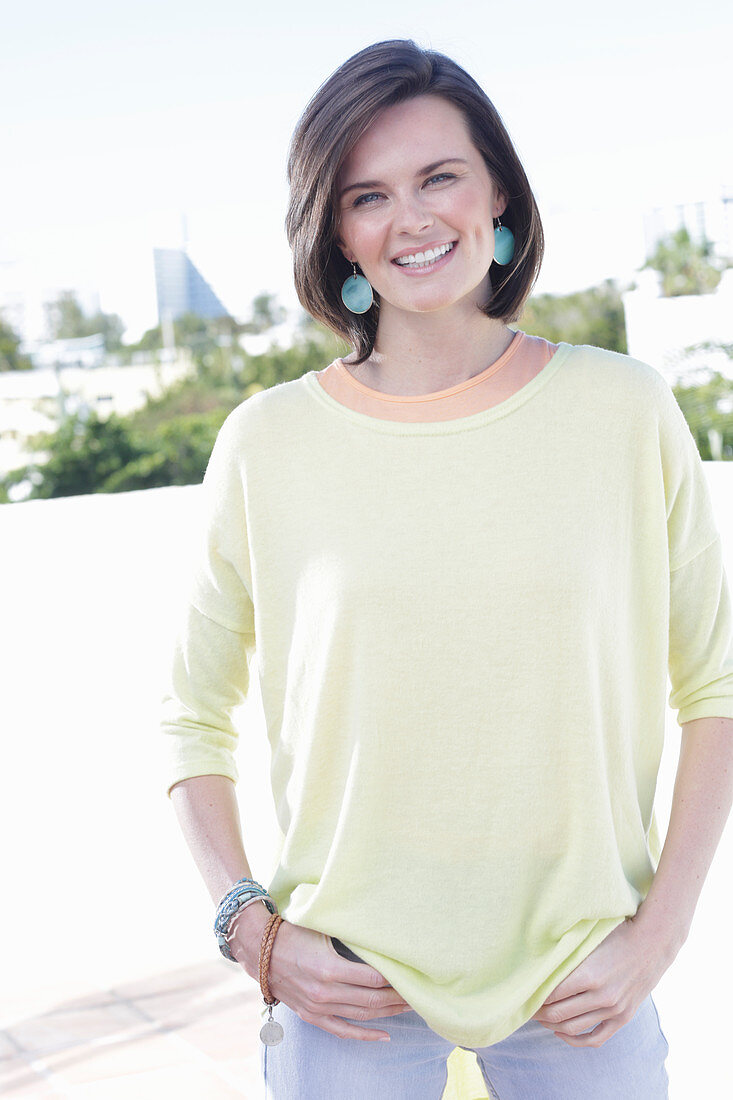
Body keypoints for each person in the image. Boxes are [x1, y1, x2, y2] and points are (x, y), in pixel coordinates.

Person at [162, 39, 733, 1099]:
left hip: (583, 983)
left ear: (498, 191)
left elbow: (715, 685)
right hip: (347, 995)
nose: (411, 219)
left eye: (439, 176)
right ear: (334, 232)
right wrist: (254, 932)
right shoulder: (265, 442)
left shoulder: (624, 409)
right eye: (367, 195)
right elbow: (191, 715)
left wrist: (660, 935)